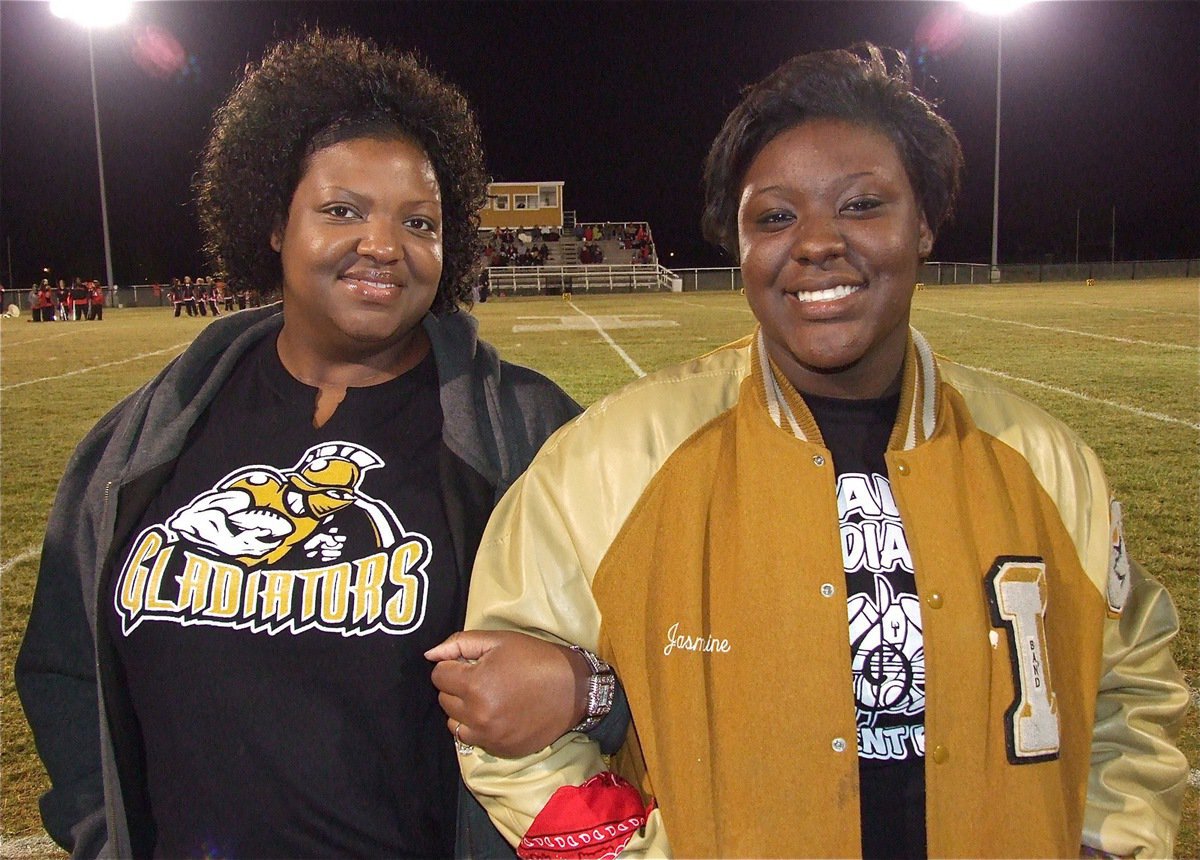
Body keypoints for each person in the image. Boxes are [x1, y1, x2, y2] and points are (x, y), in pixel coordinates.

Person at [451, 45, 1188, 858]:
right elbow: (498, 715)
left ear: (925, 222)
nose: (816, 243)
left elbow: (1129, 686)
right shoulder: (609, 460)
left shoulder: (1048, 464)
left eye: (863, 205)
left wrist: (1104, 844)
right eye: (774, 216)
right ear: (738, 243)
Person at [16, 30, 622, 860]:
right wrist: (100, 831)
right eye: (342, 210)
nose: (383, 244)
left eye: (420, 221)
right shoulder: (141, 439)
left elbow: (664, 653)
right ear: (273, 221)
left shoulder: (531, 434)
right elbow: (63, 670)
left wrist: (588, 692)